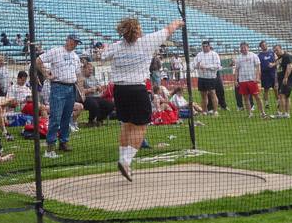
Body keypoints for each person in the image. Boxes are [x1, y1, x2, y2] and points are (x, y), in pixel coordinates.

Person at [101, 18, 184, 181]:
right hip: (137, 89)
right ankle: (125, 161)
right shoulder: (147, 42)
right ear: (137, 31)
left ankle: (123, 161)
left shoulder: (117, 46)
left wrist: (106, 48)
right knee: (141, 126)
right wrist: (179, 22)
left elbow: (103, 56)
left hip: (119, 90)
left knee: (126, 124)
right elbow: (169, 29)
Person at [36, 34, 84, 158]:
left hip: (71, 88)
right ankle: (50, 147)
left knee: (67, 117)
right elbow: (38, 61)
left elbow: (78, 75)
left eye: (77, 43)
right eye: (74, 42)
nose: (75, 44)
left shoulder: (75, 56)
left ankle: (64, 142)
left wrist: (81, 90)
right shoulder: (56, 51)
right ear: (68, 40)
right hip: (58, 87)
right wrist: (46, 73)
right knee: (55, 117)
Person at [234, 42, 267, 118]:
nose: (243, 49)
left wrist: (258, 77)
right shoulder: (239, 58)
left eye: (245, 47)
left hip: (252, 80)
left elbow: (258, 67)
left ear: (248, 47)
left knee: (257, 97)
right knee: (245, 98)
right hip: (242, 80)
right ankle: (249, 114)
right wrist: (235, 80)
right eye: (242, 48)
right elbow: (236, 70)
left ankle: (262, 113)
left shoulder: (253, 55)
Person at [193, 41, 221, 117]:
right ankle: (204, 111)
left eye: (206, 46)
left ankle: (215, 111)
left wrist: (206, 66)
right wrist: (197, 65)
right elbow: (194, 65)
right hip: (201, 77)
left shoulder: (214, 54)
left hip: (211, 77)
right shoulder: (199, 55)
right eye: (203, 46)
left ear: (209, 46)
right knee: (203, 95)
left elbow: (218, 66)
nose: (205, 48)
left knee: (212, 93)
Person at [82, 62, 114, 126]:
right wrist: (89, 90)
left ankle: (99, 119)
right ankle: (91, 121)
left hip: (97, 97)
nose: (90, 71)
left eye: (91, 70)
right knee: (94, 105)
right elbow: (80, 91)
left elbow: (100, 86)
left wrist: (99, 87)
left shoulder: (94, 78)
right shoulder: (81, 78)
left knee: (110, 104)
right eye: (89, 69)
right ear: (84, 69)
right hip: (86, 98)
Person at [270, 45, 292, 118]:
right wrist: (276, 82)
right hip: (281, 80)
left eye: (277, 50)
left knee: (281, 95)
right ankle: (286, 114)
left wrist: (286, 77)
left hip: (287, 79)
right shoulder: (279, 58)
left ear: (281, 49)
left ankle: (280, 113)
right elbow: (277, 70)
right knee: (286, 96)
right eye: (274, 51)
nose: (276, 52)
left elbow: (289, 66)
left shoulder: (287, 56)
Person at [258, 40, 278, 109]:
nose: (264, 46)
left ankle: (278, 102)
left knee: (276, 88)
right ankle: (266, 104)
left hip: (273, 73)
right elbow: (258, 66)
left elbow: (277, 61)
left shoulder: (272, 53)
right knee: (266, 89)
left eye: (265, 45)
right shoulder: (259, 55)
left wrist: (273, 64)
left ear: (267, 45)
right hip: (264, 74)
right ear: (260, 47)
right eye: (262, 45)